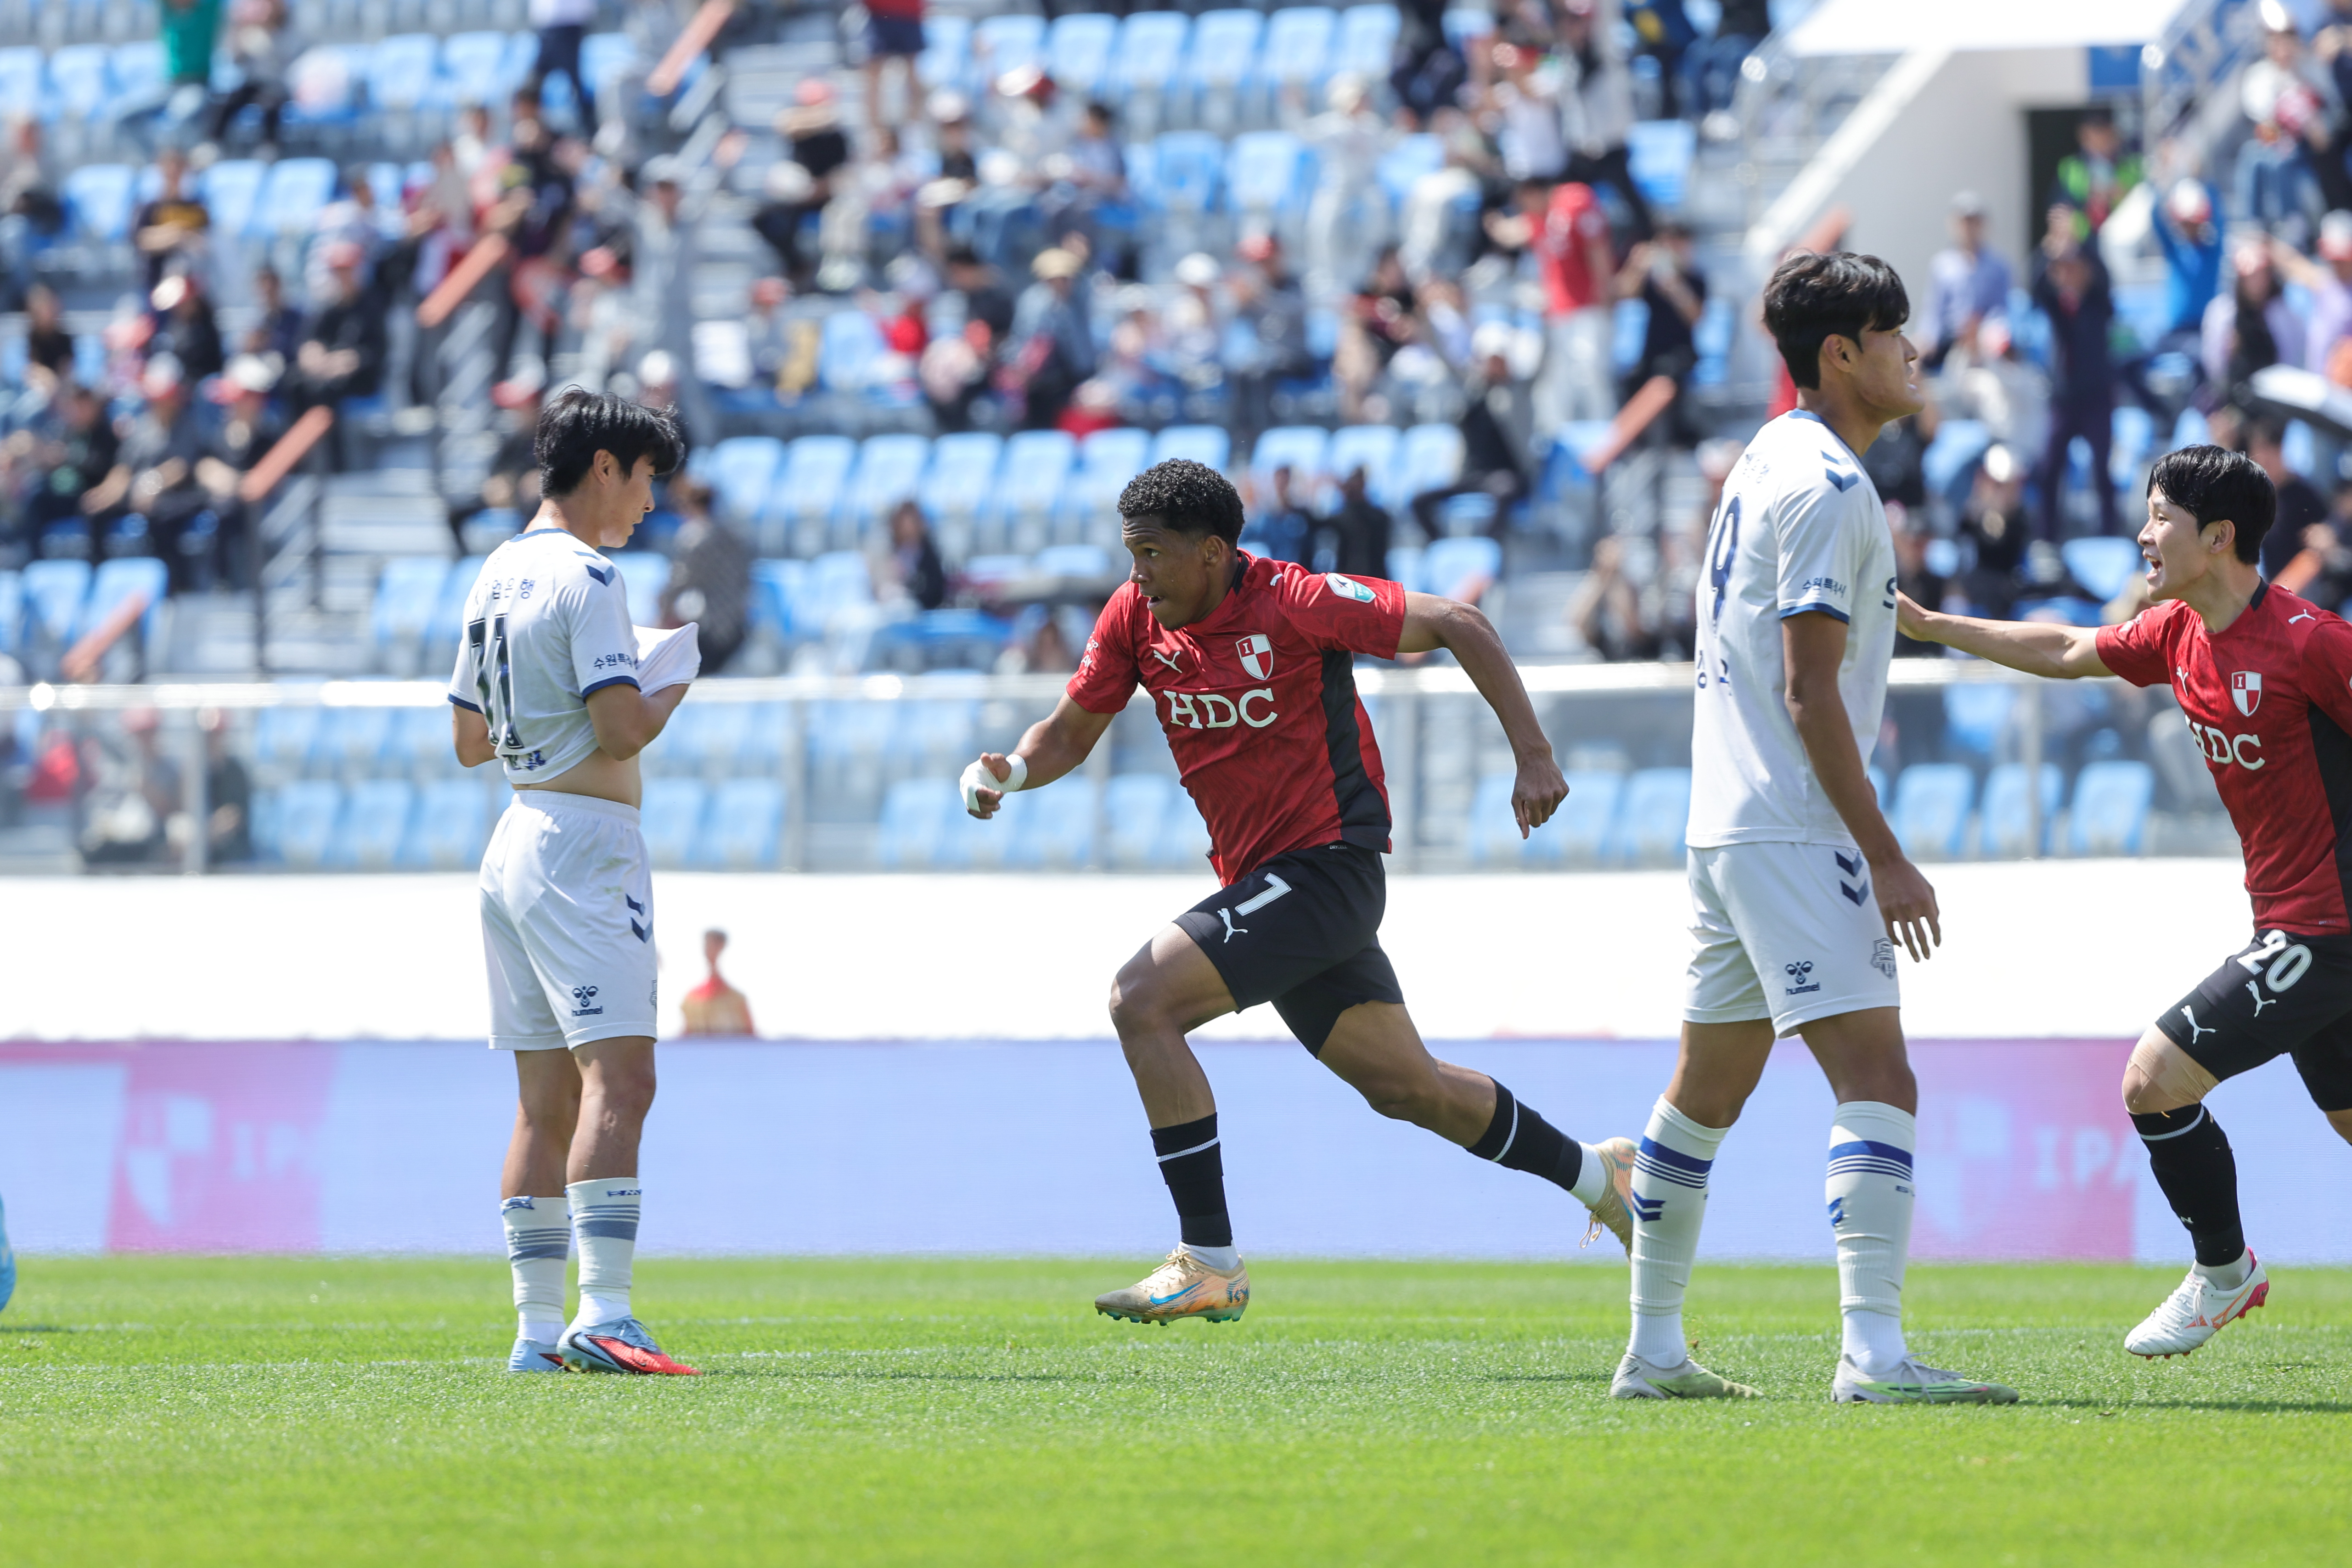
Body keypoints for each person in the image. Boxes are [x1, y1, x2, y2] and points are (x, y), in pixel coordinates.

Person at [957, 459, 1634, 1327]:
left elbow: (1458, 620)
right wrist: (1012, 771)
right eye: (1131, 553)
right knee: (1408, 1087)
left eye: (1151, 553)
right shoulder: (1134, 617)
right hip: (1267, 886)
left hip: (1328, 867)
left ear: (1211, 553)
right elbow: (1068, 732)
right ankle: (1598, 1174)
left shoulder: (1296, 600)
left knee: (1141, 999)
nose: (1136, 573)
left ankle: (1208, 1260)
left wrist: (1533, 753)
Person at [1617, 250, 2017, 1405]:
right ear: (1839, 354)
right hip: (1793, 826)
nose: (1913, 353)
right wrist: (1883, 853)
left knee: (1703, 1090)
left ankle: (1652, 1348)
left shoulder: (1764, 460)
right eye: (1892, 333)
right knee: (1876, 1074)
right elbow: (1808, 690)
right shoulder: (1830, 485)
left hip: (1723, 822)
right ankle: (1872, 1353)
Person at [1895, 446, 2349, 1359]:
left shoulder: (2310, 643)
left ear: (2216, 538)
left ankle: (2222, 1272)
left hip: (2325, 932)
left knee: (2153, 1080)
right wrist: (1927, 623)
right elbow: (2065, 650)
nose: (2142, 536)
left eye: (2159, 518)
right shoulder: (2177, 632)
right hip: (2288, 926)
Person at [446, 389, 698, 1377]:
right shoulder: (590, 576)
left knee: (540, 1103)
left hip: (513, 838)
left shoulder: (494, 574)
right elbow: (620, 731)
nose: (649, 502)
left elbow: (469, 740)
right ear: (604, 466)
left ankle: (534, 1334)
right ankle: (607, 1315)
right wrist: (671, 678)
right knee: (621, 1080)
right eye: (644, 479)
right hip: (583, 847)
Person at [2030, 208, 2118, 539]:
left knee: (2103, 471)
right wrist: (2050, 247)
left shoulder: (2098, 302)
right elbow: (2035, 281)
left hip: (2097, 396)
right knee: (2050, 469)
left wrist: (2076, 239)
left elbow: (2102, 272)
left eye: (2073, 267)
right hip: (2064, 398)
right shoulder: (2056, 307)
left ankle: (2109, 533)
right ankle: (2047, 537)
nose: (2067, 274)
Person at [1920, 191, 2012, 367]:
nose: (1968, 227)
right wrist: (1927, 340)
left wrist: (1983, 329)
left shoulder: (1999, 266)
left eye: (1974, 221)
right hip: (1949, 342)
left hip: (1987, 345)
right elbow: (1934, 311)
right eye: (1964, 221)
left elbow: (2003, 309)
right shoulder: (1942, 265)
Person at [2246, 419, 2329, 579]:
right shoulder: (2252, 495)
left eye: (2269, 451)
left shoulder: (2305, 496)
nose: (2264, 460)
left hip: (2297, 583)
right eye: (2259, 452)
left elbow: (2324, 534)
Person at [530, 0, 599, 137]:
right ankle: (529, 130)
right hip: (546, 25)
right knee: (533, 85)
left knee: (576, 85)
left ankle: (590, 134)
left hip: (570, 23)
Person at [680, 929, 756, 1037]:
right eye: (708, 945)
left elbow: (750, 1036)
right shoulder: (692, 999)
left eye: (715, 945)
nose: (710, 950)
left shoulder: (737, 1000)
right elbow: (686, 1035)